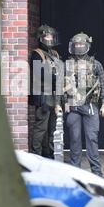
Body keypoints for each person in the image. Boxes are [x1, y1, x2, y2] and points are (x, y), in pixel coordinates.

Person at [64, 32, 104, 177]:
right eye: (76, 45)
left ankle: (96, 172)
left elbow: (103, 84)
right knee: (74, 139)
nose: (79, 47)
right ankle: (75, 172)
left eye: (81, 44)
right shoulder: (68, 64)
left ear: (87, 46)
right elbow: (61, 86)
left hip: (90, 106)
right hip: (74, 107)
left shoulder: (96, 64)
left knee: (92, 139)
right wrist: (59, 104)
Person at [29, 24, 63, 159]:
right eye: (47, 36)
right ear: (41, 37)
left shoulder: (54, 54)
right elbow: (40, 73)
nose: (50, 38)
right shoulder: (36, 54)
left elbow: (60, 70)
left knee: (52, 128)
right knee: (41, 128)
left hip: (54, 96)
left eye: (51, 36)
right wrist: (57, 79)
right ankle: (36, 156)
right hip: (43, 95)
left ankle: (49, 156)